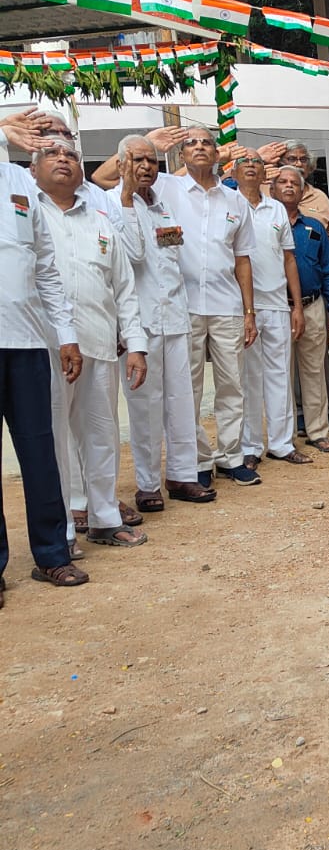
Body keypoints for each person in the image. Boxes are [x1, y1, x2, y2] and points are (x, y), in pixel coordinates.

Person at [32, 140, 149, 549]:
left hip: (99, 343)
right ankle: (61, 532)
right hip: (45, 348)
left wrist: (135, 343)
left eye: (72, 156)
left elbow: (124, 286)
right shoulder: (25, 211)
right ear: (31, 169)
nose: (64, 159)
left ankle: (103, 518)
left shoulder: (100, 216)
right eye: (53, 154)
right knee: (54, 442)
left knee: (102, 436)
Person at [99, 135, 214, 511]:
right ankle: (147, 484)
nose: (146, 167)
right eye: (138, 160)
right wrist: (129, 197)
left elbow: (172, 254)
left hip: (175, 318)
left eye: (151, 161)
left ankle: (182, 475)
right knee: (145, 407)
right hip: (140, 325)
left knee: (182, 403)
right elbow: (132, 253)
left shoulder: (162, 205)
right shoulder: (113, 205)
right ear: (121, 164)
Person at [0, 133, 88, 597]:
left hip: (29, 342)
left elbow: (46, 269)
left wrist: (66, 335)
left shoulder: (21, 185)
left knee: (40, 453)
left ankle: (53, 555)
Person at [155, 129, 260, 487]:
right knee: (188, 388)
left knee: (232, 384)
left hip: (227, 304)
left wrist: (250, 312)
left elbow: (243, 259)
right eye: (192, 143)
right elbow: (103, 179)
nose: (200, 147)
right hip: (182, 306)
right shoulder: (165, 187)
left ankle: (231, 456)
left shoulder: (235, 201)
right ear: (181, 154)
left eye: (206, 143)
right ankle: (196, 461)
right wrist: (154, 146)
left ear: (219, 155)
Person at [229, 152, 309, 470]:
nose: (251, 165)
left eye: (257, 162)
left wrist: (297, 305)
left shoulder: (275, 208)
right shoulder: (228, 203)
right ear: (233, 171)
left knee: (279, 375)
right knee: (248, 378)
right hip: (240, 306)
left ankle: (281, 443)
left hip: (276, 303)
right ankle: (250, 446)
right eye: (244, 161)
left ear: (266, 174)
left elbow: (289, 259)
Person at [272, 164, 329, 453]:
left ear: (302, 191)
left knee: (313, 371)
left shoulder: (314, 228)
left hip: (313, 306)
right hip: (278, 308)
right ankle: (284, 437)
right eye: (283, 182)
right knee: (281, 375)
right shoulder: (264, 225)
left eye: (295, 183)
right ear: (273, 189)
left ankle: (317, 430)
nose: (289, 186)